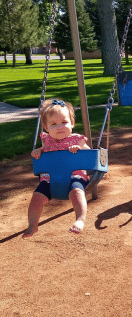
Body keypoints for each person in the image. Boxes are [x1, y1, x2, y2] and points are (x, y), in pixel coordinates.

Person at [23, 99, 90, 238]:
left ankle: (80, 220)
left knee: (77, 192)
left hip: (74, 178)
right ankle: (32, 225)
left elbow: (90, 155)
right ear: (46, 127)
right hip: (49, 181)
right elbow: (44, 149)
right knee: (36, 197)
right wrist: (38, 151)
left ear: (72, 123)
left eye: (64, 122)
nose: (59, 127)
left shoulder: (76, 140)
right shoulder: (47, 142)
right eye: (54, 124)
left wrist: (80, 149)